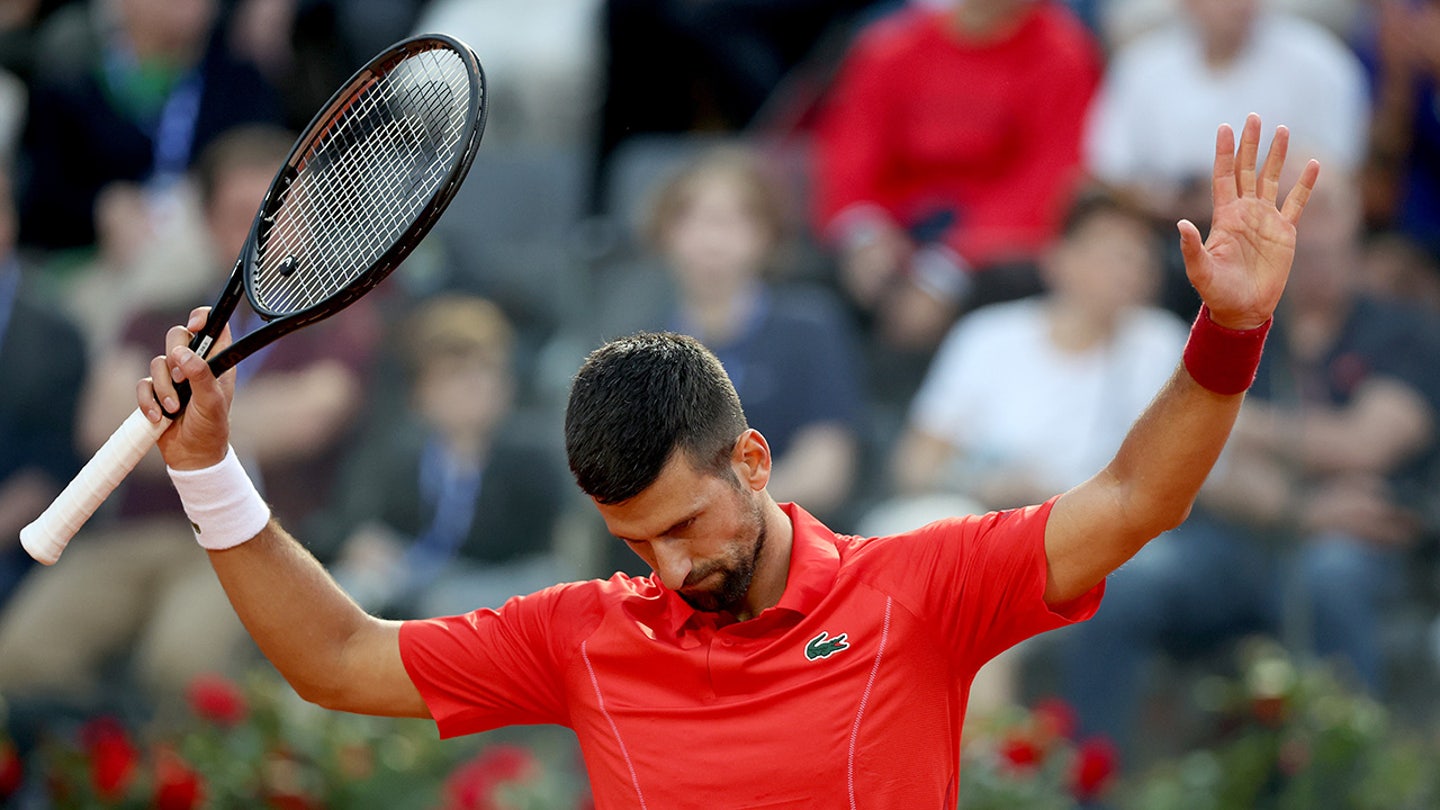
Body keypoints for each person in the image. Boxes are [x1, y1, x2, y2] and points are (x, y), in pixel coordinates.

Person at [131, 115, 1316, 805]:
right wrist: (207, 467)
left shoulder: (918, 590)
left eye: (687, 523)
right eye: (635, 538)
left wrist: (1232, 328)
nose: (669, 563)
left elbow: (1135, 497)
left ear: (753, 458)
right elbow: (340, 659)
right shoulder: (586, 633)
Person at [1056, 157, 1440, 756]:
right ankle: (1085, 785)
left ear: (1358, 225)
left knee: (1329, 576)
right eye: (1291, 209)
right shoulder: (1240, 314)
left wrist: (1235, 413)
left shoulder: (1402, 328)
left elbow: (1367, 444)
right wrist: (1306, 503)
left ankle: (1348, 787)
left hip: (1367, 539)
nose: (1308, 229)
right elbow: (1204, 461)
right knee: (1119, 586)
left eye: (1323, 209)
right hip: (1239, 541)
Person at [0, 126, 379, 704]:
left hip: (251, 546)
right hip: (132, 537)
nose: (265, 233)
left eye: (279, 213)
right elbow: (99, 424)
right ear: (206, 223)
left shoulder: (339, 321)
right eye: (240, 216)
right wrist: (238, 426)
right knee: (21, 654)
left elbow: (311, 418)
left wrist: (179, 424)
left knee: (181, 666)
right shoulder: (156, 314)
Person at [593, 145, 865, 524]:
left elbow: (826, 468)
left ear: (767, 235)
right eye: (696, 220)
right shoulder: (635, 348)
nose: (713, 240)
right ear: (665, 233)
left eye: (732, 222)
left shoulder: (810, 327)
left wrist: (722, 506)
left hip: (785, 536)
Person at [811, 0, 1103, 352]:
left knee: (1022, 279)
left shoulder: (1064, 55)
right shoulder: (892, 46)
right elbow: (850, 147)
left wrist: (948, 268)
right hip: (898, 226)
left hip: (992, 243)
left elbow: (1051, 177)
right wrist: (864, 233)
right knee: (808, 278)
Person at [317, 294, 574, 618]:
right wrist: (362, 543)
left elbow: (544, 552)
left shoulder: (531, 461)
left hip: (496, 581)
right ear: (421, 393)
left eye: (487, 370)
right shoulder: (399, 458)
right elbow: (351, 522)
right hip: (411, 572)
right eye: (455, 374)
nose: (474, 385)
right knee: (348, 589)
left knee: (449, 604)